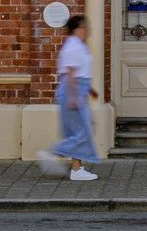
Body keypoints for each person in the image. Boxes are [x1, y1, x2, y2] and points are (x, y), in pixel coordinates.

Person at [45, 14, 100, 180]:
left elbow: (80, 72)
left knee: (81, 129)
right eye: (85, 27)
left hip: (77, 91)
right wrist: (74, 97)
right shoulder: (73, 47)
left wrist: (90, 90)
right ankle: (54, 153)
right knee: (82, 131)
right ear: (77, 29)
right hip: (72, 92)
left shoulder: (78, 45)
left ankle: (77, 168)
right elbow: (70, 73)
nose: (87, 30)